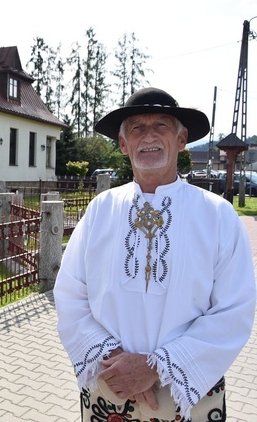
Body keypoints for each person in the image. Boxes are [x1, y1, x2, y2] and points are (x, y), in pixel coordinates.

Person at [54, 87, 256, 421]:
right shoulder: (100, 210)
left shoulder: (217, 216)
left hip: (186, 392)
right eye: (137, 128)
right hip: (110, 386)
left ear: (181, 140)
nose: (149, 136)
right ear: (123, 144)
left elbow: (234, 310)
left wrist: (155, 366)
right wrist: (113, 358)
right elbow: (70, 294)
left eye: (161, 126)